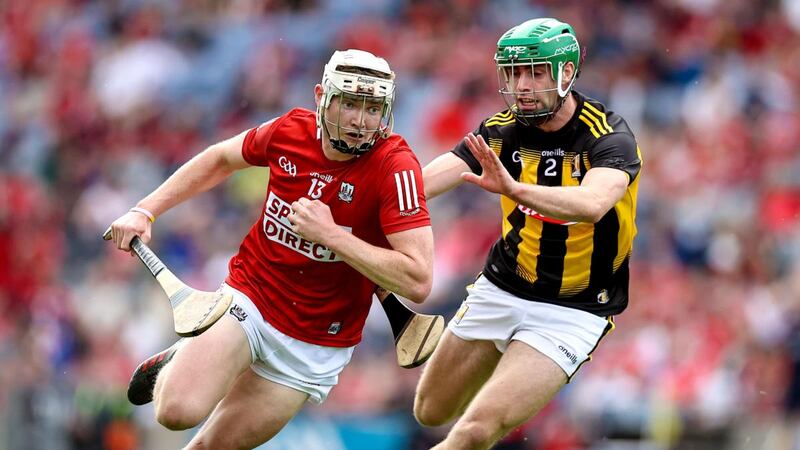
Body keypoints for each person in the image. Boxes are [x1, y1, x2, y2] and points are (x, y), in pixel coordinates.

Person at [106, 49, 433, 449]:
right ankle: (185, 356)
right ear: (321, 98)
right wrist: (146, 210)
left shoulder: (396, 166)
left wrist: (332, 236)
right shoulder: (289, 130)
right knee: (176, 412)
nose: (360, 121)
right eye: (349, 103)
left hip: (316, 346)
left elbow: (418, 279)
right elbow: (221, 158)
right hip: (251, 300)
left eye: (372, 108)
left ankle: (186, 354)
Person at [413, 18, 643, 449]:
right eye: (514, 73)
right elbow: (423, 185)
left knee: (475, 430)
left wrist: (514, 189)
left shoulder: (608, 136)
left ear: (567, 73)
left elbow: (593, 205)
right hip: (502, 287)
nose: (522, 85)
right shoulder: (500, 130)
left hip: (574, 311)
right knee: (430, 411)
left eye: (536, 71)